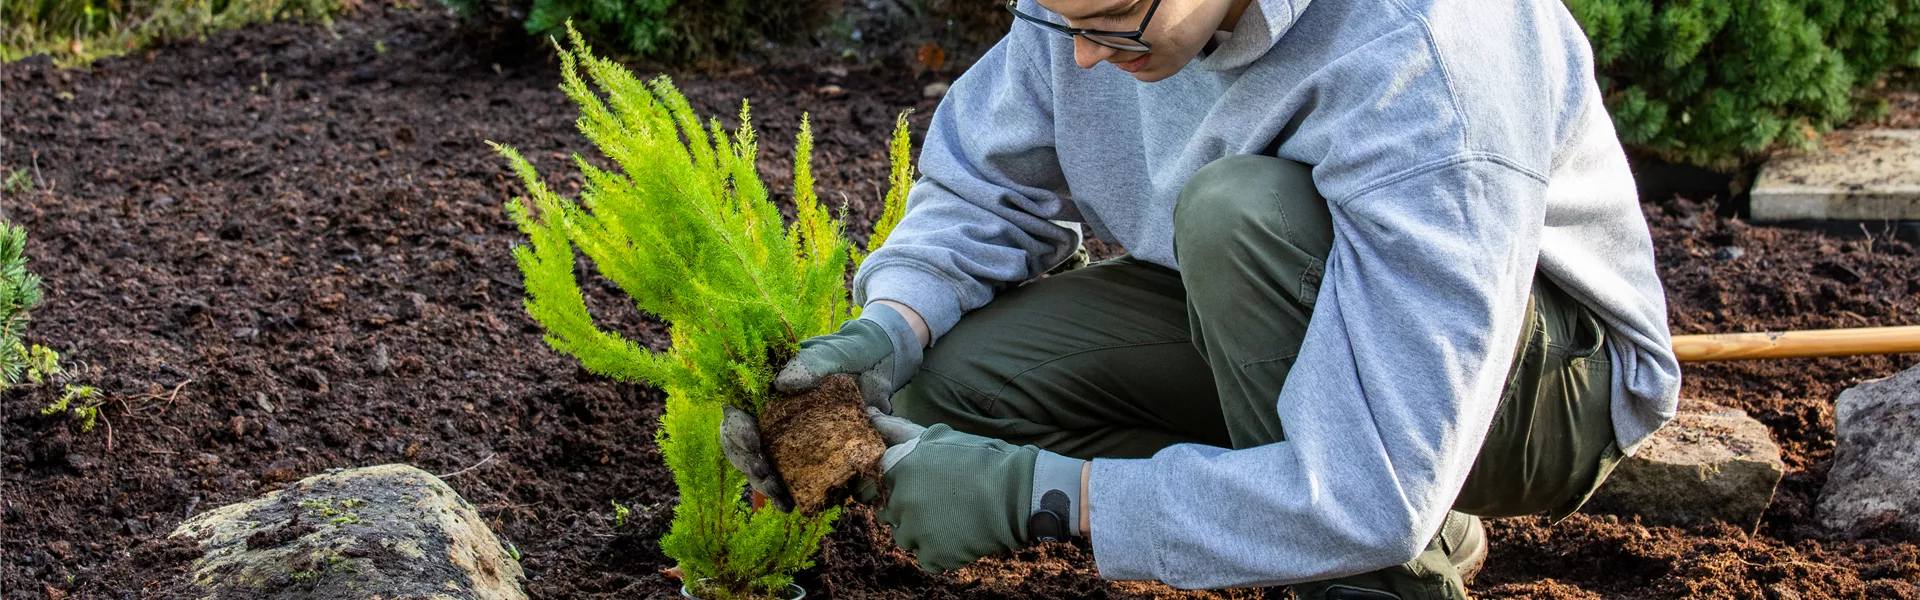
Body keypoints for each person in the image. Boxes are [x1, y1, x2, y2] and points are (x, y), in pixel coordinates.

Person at [724, 0, 1682, 597]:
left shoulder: (1424, 48)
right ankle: (1346, 518)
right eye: (1066, 23)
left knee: (1239, 215)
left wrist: (1048, 500)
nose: (1086, 60)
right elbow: (986, 184)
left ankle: (1388, 584)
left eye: (1113, 22)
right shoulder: (1085, 15)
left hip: (1540, 387)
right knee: (954, 389)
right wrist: (892, 328)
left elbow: (1375, 485)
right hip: (1251, 306)